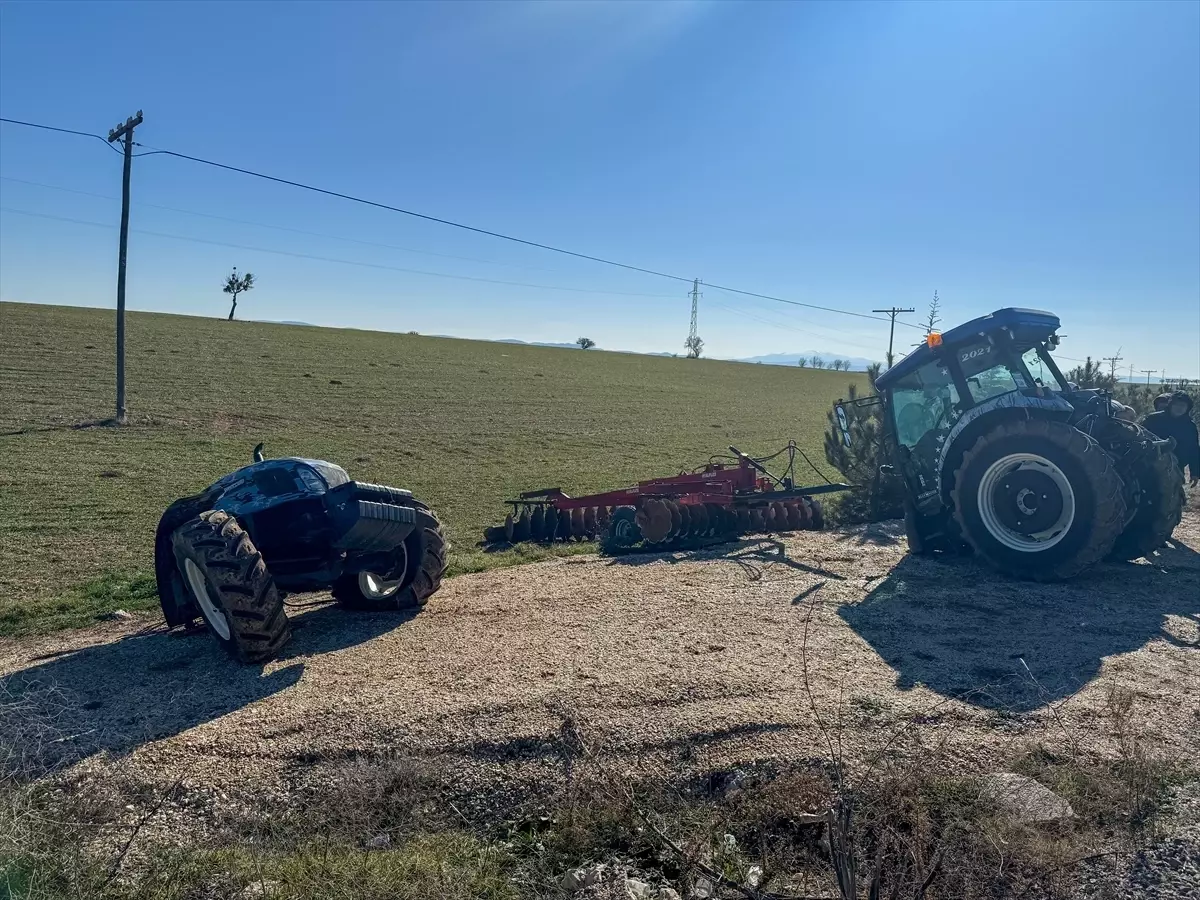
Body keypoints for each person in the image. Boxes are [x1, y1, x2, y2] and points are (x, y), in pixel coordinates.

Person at [1142, 391, 1200, 483]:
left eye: (1183, 405)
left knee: (1174, 494)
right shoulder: (1153, 419)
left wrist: (1195, 473)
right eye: (1177, 405)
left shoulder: (1189, 426)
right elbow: (1141, 439)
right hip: (1151, 466)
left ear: (1187, 408)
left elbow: (1194, 449)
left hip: (1177, 467)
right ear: (1170, 405)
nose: (1179, 408)